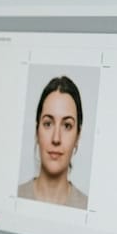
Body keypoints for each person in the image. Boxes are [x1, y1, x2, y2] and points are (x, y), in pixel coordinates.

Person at [17, 75, 89, 209]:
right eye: (48, 124)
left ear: (77, 137)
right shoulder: (15, 196)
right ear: (36, 131)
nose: (56, 138)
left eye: (67, 126)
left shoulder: (86, 207)